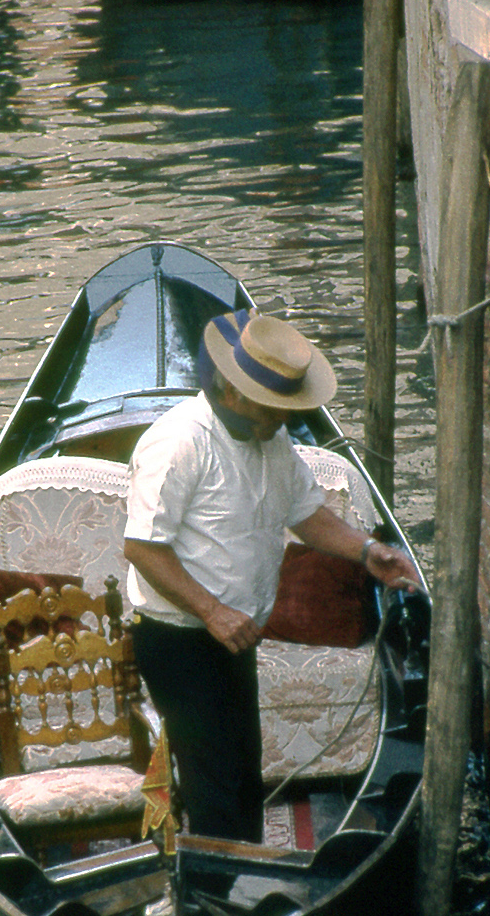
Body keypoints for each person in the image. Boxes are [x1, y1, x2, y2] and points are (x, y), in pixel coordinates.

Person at [123, 308, 422, 843]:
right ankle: (213, 907)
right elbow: (143, 548)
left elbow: (306, 513)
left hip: (234, 634)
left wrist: (367, 551)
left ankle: (241, 881)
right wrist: (213, 612)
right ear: (233, 394)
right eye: (274, 408)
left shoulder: (271, 439)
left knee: (242, 775)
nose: (283, 419)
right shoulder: (178, 443)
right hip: (178, 638)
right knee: (215, 783)